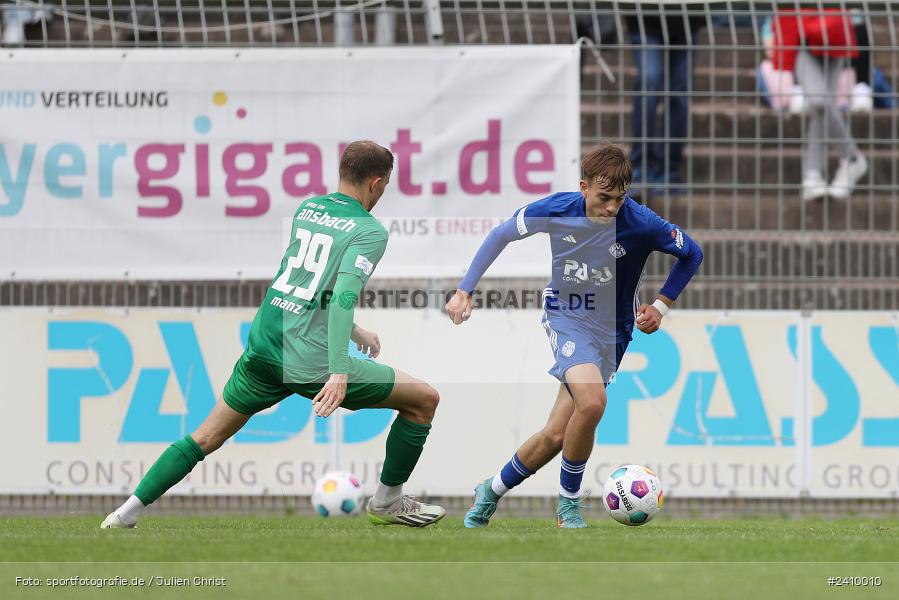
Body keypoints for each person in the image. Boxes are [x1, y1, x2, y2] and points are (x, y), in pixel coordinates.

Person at [102, 141, 445, 529]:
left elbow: (302, 282)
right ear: (377, 183)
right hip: (308, 358)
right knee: (423, 401)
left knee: (205, 437)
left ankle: (123, 514)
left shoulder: (310, 209)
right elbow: (342, 297)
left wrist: (354, 331)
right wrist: (338, 369)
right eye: (384, 187)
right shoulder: (369, 231)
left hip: (265, 343)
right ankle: (387, 502)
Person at [445, 144, 703, 528]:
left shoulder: (641, 222)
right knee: (594, 402)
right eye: (604, 198)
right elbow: (501, 234)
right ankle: (568, 506)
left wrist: (661, 305)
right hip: (567, 316)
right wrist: (466, 289)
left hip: (613, 331)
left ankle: (491, 490)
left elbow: (692, 253)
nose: (612, 208)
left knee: (554, 434)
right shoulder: (557, 208)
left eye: (620, 198)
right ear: (584, 187)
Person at [772, 7, 868, 201]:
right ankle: (852, 157)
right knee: (819, 103)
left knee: (822, 108)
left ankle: (812, 174)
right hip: (801, 33)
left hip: (834, 30)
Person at [626, 7, 704, 194]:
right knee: (649, 82)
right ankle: (641, 166)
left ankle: (669, 168)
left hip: (686, 17)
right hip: (644, 17)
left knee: (679, 92)